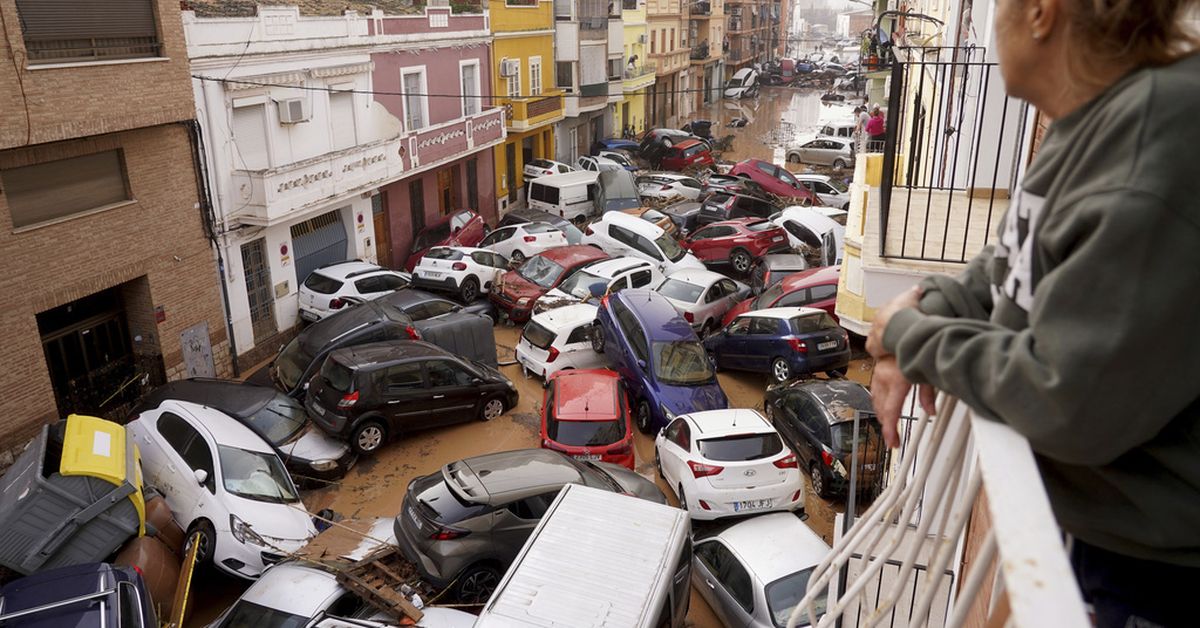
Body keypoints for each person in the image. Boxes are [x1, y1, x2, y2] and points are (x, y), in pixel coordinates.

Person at [864, 1, 1200, 627]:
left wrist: (909, 334)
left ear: (1042, 13)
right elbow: (1008, 264)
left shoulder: (1154, 143)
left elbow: (1068, 398)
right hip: (1111, 540)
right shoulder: (1092, 118)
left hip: (1162, 580)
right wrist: (918, 319)